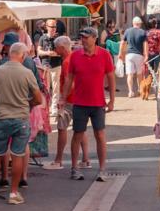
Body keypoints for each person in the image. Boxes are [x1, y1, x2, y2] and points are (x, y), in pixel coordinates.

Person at [0, 43, 44, 205]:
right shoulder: (27, 73)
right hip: (21, 118)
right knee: (18, 154)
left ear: (10, 54)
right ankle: (14, 193)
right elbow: (38, 99)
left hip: (2, 117)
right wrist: (27, 103)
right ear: (22, 56)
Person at [62, 26, 115, 181]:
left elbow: (111, 78)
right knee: (77, 134)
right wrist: (63, 98)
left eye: (86, 37)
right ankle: (74, 167)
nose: (83, 40)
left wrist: (112, 100)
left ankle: (103, 168)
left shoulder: (104, 55)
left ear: (94, 38)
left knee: (100, 134)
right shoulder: (75, 56)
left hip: (98, 103)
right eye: (82, 37)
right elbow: (69, 79)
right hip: (79, 102)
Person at [42, 35, 75, 170]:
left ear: (62, 47)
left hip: (69, 100)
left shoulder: (67, 61)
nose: (54, 50)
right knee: (80, 130)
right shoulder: (74, 57)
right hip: (77, 99)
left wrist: (63, 99)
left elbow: (69, 82)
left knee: (62, 128)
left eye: (56, 47)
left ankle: (58, 160)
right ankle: (85, 159)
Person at [121, 16, 149, 98]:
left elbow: (123, 43)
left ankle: (130, 92)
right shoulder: (143, 32)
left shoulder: (127, 31)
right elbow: (145, 44)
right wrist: (146, 55)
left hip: (129, 55)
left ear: (133, 23)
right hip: (139, 55)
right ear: (139, 24)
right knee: (139, 74)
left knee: (130, 74)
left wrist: (120, 53)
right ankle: (140, 90)